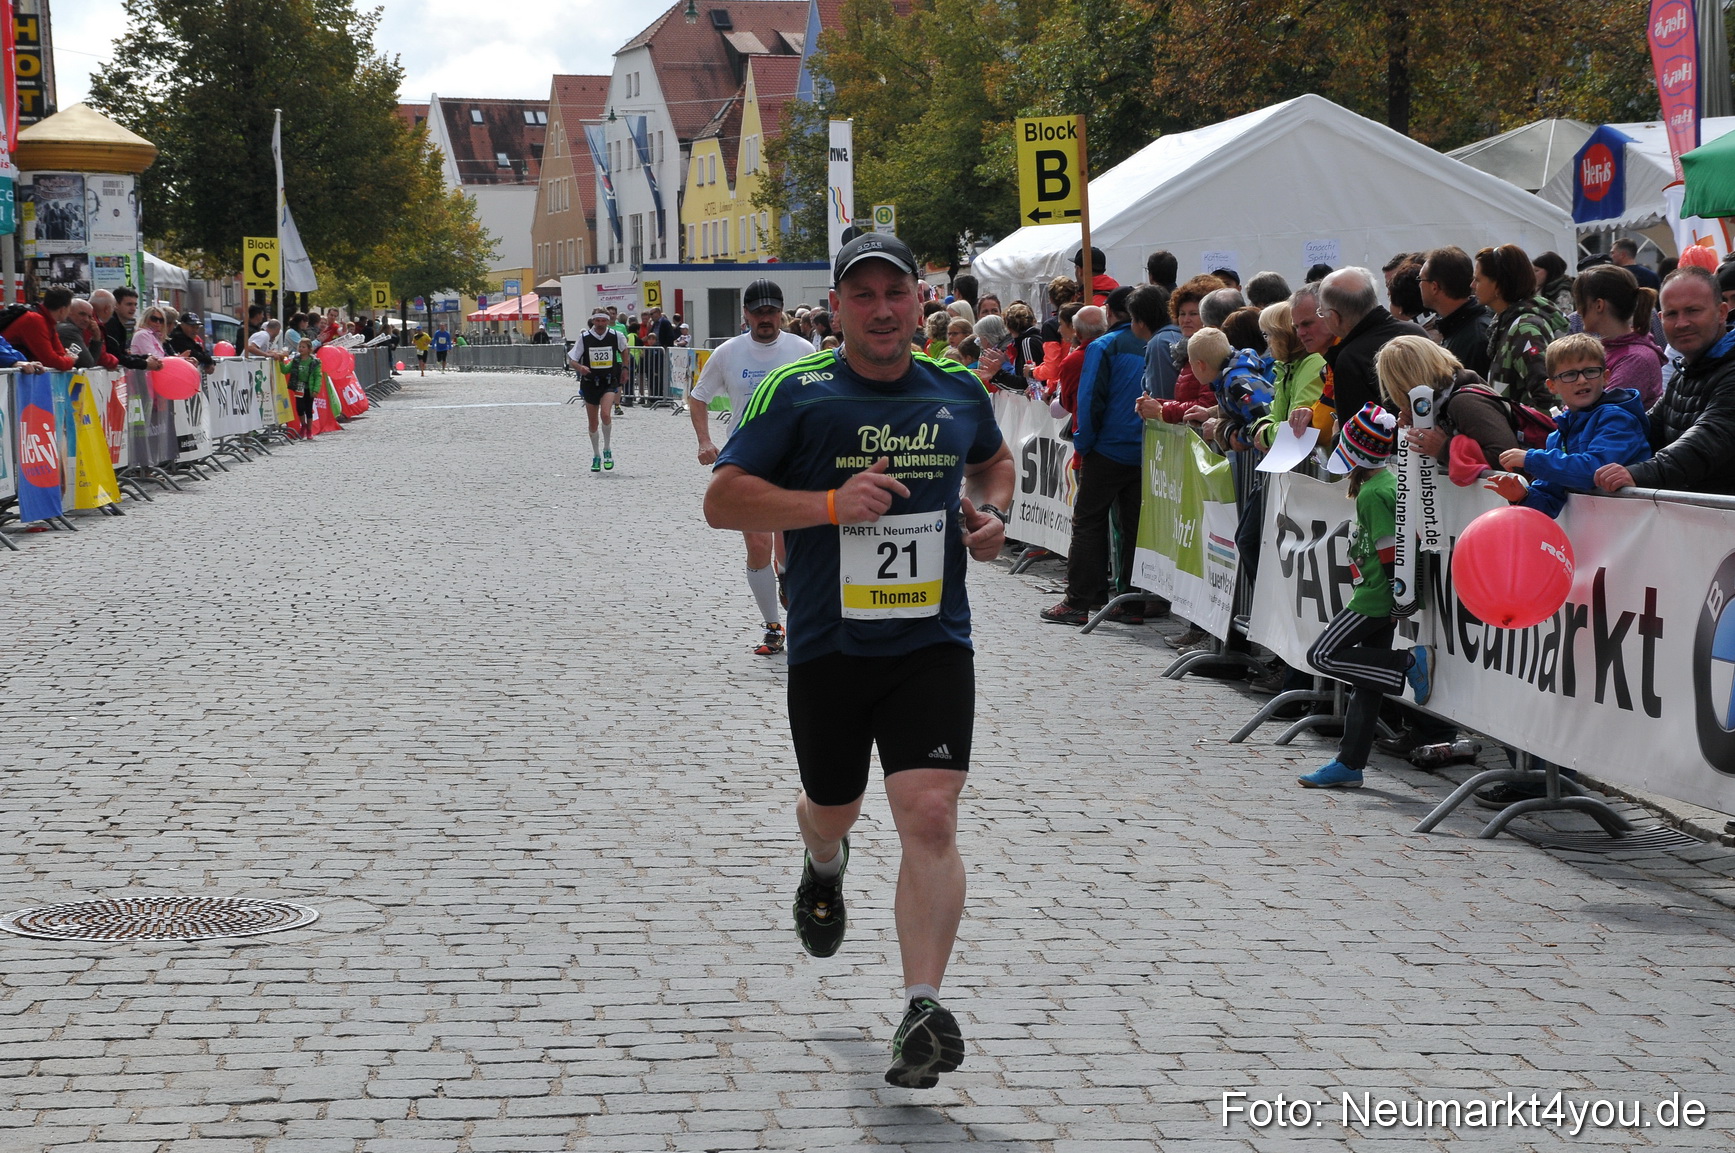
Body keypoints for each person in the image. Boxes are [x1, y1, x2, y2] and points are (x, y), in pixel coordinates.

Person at [703, 232, 1013, 1091]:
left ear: (920, 301)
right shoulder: (794, 391)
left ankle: (920, 1005)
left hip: (931, 643)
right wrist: (829, 503)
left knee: (930, 817)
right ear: (837, 307)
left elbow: (992, 462)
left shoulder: (956, 387)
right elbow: (722, 499)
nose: (881, 309)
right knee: (832, 807)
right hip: (833, 648)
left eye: (896, 293)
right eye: (863, 294)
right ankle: (824, 860)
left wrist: (992, 515)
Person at [1299, 403, 1432, 790]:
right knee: (1366, 685)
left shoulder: (1375, 493)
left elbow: (1391, 549)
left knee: (1321, 654)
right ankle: (1349, 763)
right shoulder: (1383, 483)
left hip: (1375, 595)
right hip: (1378, 590)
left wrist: (1395, 599)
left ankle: (1407, 662)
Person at [689, 279, 820, 655]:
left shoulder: (802, 349)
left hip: (796, 457)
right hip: (748, 458)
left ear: (781, 312)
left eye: (771, 311)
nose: (765, 319)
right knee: (758, 542)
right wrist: (704, 440)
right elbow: (698, 398)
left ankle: (797, 610)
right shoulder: (729, 353)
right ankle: (772, 626)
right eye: (758, 312)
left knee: (792, 546)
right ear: (745, 314)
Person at [1042, 286, 1149, 626]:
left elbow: (1089, 402)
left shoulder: (1104, 346)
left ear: (1112, 313)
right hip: (1143, 448)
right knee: (1133, 527)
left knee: (1089, 522)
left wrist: (1084, 444)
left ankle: (1079, 601)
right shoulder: (1155, 343)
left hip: (1107, 447)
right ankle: (1131, 603)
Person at [1596, 265, 1735, 496]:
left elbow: (1707, 440)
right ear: (1660, 319)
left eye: (1693, 310)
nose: (1681, 323)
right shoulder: (1686, 371)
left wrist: (1639, 473)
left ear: (1721, 312)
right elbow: (1645, 427)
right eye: (1672, 314)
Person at [1485, 333, 1650, 518]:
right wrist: (1522, 497)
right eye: (1570, 374)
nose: (1582, 380)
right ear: (1552, 386)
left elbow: (1594, 472)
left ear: (1605, 377)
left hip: (1630, 527)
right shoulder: (1558, 435)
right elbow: (1550, 497)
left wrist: (1532, 459)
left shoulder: (1618, 419)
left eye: (1590, 371)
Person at [1376, 335, 1518, 487]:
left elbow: (1509, 461)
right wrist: (1409, 430)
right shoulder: (1438, 401)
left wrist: (1444, 448)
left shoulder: (1464, 403)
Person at [1319, 266, 1426, 427]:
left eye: (1322, 312)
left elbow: (1357, 440)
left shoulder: (1350, 359)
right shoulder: (1416, 332)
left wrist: (1337, 436)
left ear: (1334, 317)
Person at [1475, 243, 1568, 409]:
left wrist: (1523, 432)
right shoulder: (1506, 323)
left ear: (1497, 285)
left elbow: (1549, 397)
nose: (1472, 286)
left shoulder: (1525, 330)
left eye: (1477, 279)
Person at [1571, 264, 1664, 407]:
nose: (1578, 311)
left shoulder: (1636, 359)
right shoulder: (1611, 349)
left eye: (1581, 303)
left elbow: (1604, 413)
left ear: (1599, 305)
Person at [1418, 246, 1493, 376]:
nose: (1419, 285)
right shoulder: (1456, 325)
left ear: (1434, 287)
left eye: (1421, 279)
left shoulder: (1477, 338)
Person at [569, 310, 626, 472]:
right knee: (593, 423)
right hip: (590, 382)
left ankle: (607, 449)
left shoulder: (615, 336)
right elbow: (572, 359)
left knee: (606, 414)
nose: (600, 324)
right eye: (597, 321)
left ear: (608, 321)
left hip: (608, 381)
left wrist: (625, 368)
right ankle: (596, 455)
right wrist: (580, 367)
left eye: (603, 321)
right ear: (593, 321)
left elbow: (625, 350)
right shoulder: (584, 338)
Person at [2, 286, 78, 371]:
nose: (70, 312)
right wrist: (70, 360)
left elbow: (60, 355)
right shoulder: (35, 320)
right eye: (69, 308)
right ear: (62, 310)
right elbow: (51, 361)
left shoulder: (47, 321)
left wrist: (65, 359)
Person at [58, 298, 118, 370]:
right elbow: (88, 363)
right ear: (68, 312)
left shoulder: (72, 328)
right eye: (82, 314)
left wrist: (96, 337)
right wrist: (96, 340)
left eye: (89, 317)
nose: (86, 319)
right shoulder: (69, 330)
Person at [284, 338, 322, 435]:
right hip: (299, 387)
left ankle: (309, 430)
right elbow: (285, 370)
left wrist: (316, 389)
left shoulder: (315, 361)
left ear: (309, 349)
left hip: (309, 388)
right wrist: (280, 360)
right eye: (299, 346)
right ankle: (303, 424)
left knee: (308, 409)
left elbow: (318, 376)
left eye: (303, 347)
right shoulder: (296, 360)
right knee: (299, 408)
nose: (301, 349)